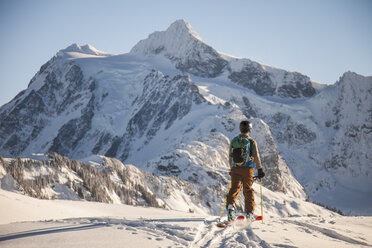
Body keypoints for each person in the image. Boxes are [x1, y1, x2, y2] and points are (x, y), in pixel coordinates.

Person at [226, 120, 265, 221]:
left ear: (240, 129)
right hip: (247, 169)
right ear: (249, 129)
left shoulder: (234, 140)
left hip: (235, 168)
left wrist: (232, 169)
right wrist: (260, 169)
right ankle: (249, 213)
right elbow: (256, 156)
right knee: (248, 190)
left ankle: (230, 210)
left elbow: (230, 156)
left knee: (234, 188)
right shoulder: (251, 142)